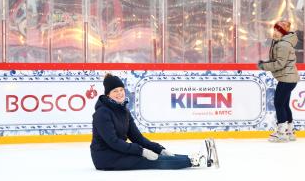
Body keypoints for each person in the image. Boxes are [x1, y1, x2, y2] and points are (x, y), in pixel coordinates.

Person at [90, 73, 219, 170]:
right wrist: (141, 151)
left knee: (157, 155)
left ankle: (193, 158)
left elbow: (138, 138)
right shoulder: (102, 114)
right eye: (115, 91)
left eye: (121, 90)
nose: (119, 93)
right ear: (108, 95)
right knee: (150, 160)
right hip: (106, 158)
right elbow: (113, 142)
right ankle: (194, 162)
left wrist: (159, 149)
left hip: (119, 152)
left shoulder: (124, 111)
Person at [257, 21, 299, 142]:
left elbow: (280, 63)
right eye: (274, 29)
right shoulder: (282, 42)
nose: (274, 32)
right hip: (288, 78)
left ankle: (281, 132)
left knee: (279, 104)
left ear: (283, 32)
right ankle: (289, 131)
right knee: (284, 104)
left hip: (287, 78)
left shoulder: (283, 45)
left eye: (277, 30)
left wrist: (264, 66)